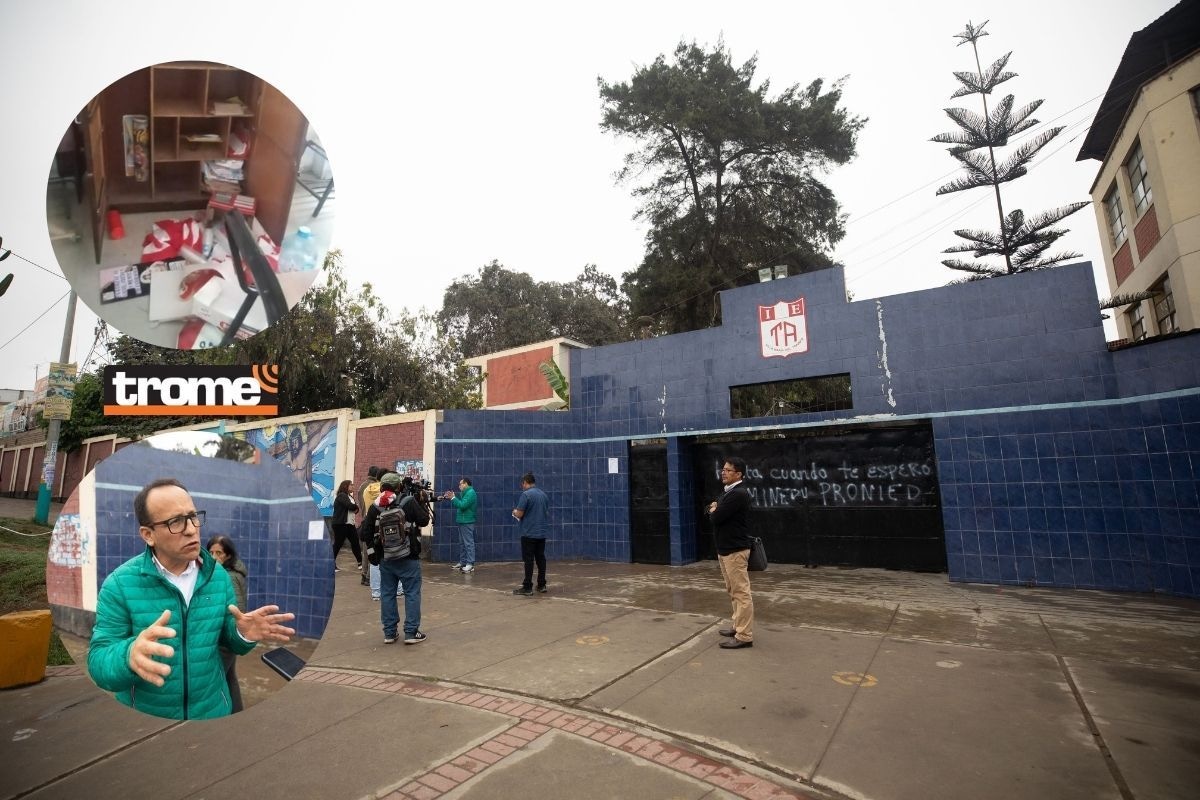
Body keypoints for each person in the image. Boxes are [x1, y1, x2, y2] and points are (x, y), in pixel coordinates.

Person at [88, 478, 295, 719]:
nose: (190, 529)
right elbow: (97, 660)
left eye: (193, 516)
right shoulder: (120, 584)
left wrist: (241, 633)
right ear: (148, 535)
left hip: (213, 712)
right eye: (175, 521)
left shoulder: (217, 575)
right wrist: (128, 655)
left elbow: (227, 641)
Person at [363, 472, 426, 645]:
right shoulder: (408, 501)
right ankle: (411, 633)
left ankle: (390, 633)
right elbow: (425, 520)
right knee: (412, 593)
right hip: (409, 556)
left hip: (386, 558)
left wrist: (372, 555)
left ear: (382, 487)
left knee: (388, 594)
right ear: (399, 486)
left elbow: (365, 532)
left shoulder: (375, 506)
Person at [707, 457, 754, 650]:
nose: (723, 472)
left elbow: (716, 517)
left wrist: (715, 509)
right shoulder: (728, 493)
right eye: (723, 469)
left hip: (735, 551)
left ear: (738, 474)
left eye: (728, 470)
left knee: (741, 593)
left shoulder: (738, 494)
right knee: (733, 591)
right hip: (725, 550)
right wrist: (714, 508)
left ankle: (744, 636)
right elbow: (711, 509)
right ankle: (737, 626)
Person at [206, 534, 248, 712]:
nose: (214, 557)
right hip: (228, 637)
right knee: (230, 677)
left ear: (228, 556)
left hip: (226, 639)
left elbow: (234, 611)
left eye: (219, 553)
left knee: (213, 680)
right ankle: (237, 711)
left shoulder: (228, 577)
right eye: (211, 552)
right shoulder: (228, 573)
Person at [511, 472, 550, 595]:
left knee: (528, 560)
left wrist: (514, 512)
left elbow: (520, 514)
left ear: (525, 482)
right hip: (541, 533)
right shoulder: (544, 495)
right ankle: (542, 584)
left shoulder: (526, 495)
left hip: (528, 533)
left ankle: (527, 587)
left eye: (522, 484)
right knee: (540, 559)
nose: (522, 486)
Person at [444, 477, 477, 572]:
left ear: (466, 484)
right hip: (462, 521)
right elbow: (461, 504)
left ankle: (470, 564)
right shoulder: (465, 493)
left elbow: (462, 505)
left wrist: (453, 498)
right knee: (462, 543)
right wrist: (453, 497)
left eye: (460, 484)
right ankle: (463, 562)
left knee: (468, 543)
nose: (459, 486)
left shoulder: (471, 493)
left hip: (467, 521)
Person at [358, 467, 383, 595]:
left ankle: (364, 575)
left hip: (365, 519)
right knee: (374, 550)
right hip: (376, 521)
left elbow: (361, 503)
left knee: (366, 550)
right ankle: (369, 577)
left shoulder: (363, 486)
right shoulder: (378, 487)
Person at [331, 479, 363, 572]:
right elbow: (351, 506)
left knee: (355, 543)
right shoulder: (342, 496)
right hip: (340, 524)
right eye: (351, 485)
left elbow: (356, 510)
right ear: (345, 486)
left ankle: (360, 563)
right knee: (338, 544)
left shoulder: (350, 497)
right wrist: (355, 507)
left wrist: (355, 507)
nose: (353, 486)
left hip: (350, 524)